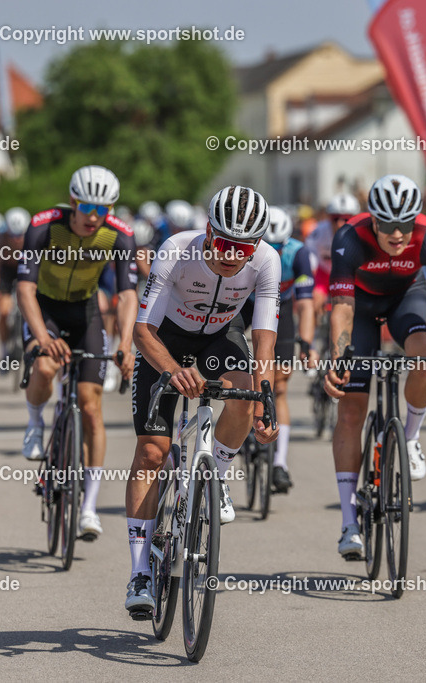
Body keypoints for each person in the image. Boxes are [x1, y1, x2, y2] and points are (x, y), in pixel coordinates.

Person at [123, 185, 280, 617]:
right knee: (152, 452)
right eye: (225, 243)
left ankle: (217, 478)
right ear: (209, 231)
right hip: (165, 338)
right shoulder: (175, 249)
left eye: (244, 248)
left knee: (245, 394)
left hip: (220, 337)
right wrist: (173, 371)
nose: (233, 255)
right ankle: (139, 571)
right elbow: (142, 332)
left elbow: (264, 342)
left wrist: (267, 400)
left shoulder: (267, 261)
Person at [324, 174, 426, 560]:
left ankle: (410, 437)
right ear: (373, 219)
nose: (397, 234)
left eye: (404, 225)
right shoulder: (349, 238)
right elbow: (341, 307)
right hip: (361, 305)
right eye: (387, 225)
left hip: (408, 297)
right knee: (351, 410)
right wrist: (338, 357)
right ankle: (349, 521)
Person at [17, 165, 138, 541]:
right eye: (86, 207)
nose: (93, 217)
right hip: (46, 310)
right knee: (47, 365)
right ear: (73, 202)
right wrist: (41, 337)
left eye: (103, 210)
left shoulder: (118, 235)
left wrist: (125, 343)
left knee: (90, 405)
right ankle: (35, 422)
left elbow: (128, 294)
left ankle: (89, 508)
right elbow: (23, 289)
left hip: (85, 312)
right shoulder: (44, 226)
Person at [241, 206, 315, 492]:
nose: (274, 252)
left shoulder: (299, 253)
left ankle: (279, 463)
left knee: (280, 386)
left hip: (279, 304)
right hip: (245, 303)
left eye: (279, 246)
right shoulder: (247, 249)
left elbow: (306, 304)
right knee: (240, 373)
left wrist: (306, 343)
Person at [305, 193, 360, 321]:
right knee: (312, 301)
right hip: (325, 274)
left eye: (346, 219)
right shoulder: (318, 232)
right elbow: (310, 258)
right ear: (329, 218)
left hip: (352, 276)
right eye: (336, 219)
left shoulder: (361, 233)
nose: (340, 224)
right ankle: (310, 339)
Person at [0, 207, 30, 366]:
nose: (16, 239)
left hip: (26, 271)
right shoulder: (0, 240)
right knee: (3, 312)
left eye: (20, 235)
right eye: (13, 235)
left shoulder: (33, 239)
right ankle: (4, 350)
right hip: (6, 272)